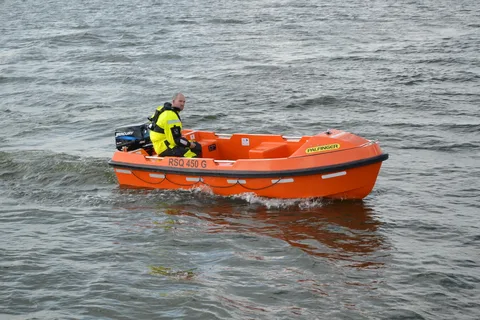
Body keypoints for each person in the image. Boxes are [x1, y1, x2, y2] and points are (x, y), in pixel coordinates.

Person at [148, 93, 202, 158]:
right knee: (191, 155)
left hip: (162, 143)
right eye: (180, 101)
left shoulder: (165, 110)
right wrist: (189, 144)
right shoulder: (170, 115)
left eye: (184, 102)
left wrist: (190, 144)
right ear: (173, 101)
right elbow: (175, 140)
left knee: (196, 145)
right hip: (164, 147)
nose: (182, 104)